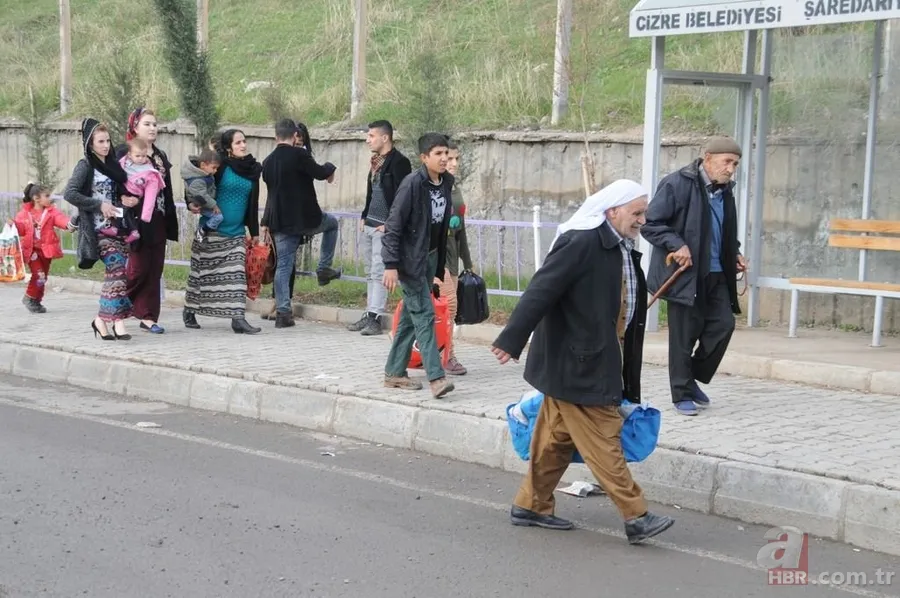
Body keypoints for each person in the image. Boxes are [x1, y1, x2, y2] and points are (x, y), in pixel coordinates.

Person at [490, 179, 675, 545]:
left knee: (554, 439)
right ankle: (636, 516)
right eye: (636, 213)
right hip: (578, 361)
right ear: (612, 212)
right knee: (606, 438)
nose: (642, 220)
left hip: (593, 357)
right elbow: (541, 289)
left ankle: (531, 504)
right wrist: (512, 339)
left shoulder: (620, 244)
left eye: (644, 213)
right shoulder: (582, 242)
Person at [641, 136, 747, 417]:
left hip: (717, 273)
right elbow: (650, 224)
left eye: (735, 164)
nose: (731, 169)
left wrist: (734, 252)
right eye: (727, 162)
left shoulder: (725, 191)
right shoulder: (677, 183)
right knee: (683, 336)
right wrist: (676, 245)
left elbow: (722, 229)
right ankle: (681, 393)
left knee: (723, 325)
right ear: (708, 158)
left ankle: (690, 377)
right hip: (685, 274)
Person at [381, 132, 455, 399]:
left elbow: (440, 227)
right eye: (438, 154)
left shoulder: (446, 182)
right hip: (410, 261)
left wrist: (438, 267)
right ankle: (437, 378)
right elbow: (393, 226)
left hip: (430, 257)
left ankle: (394, 373)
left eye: (446, 153)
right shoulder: (412, 184)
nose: (444, 158)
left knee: (412, 318)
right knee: (424, 314)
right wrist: (390, 265)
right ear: (424, 158)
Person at [64, 118, 140, 341]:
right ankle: (115, 320)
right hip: (97, 230)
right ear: (90, 143)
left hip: (118, 227)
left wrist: (126, 199)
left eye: (107, 141)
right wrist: (98, 205)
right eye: (100, 141)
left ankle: (104, 321)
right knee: (116, 271)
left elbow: (118, 193)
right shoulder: (85, 166)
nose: (106, 145)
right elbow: (71, 193)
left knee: (119, 275)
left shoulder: (113, 165)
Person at [182, 128, 263, 334]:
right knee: (202, 274)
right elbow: (196, 184)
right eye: (238, 143)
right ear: (228, 148)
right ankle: (190, 309)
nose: (243, 145)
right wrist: (191, 203)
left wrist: (254, 232)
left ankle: (238, 318)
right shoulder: (221, 166)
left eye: (244, 141)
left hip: (236, 232)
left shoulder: (253, 170)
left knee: (237, 275)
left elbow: (252, 204)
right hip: (213, 230)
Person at [261, 118, 338, 328]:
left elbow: (271, 196)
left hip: (280, 223)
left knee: (283, 267)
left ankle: (283, 313)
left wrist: (265, 222)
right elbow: (321, 173)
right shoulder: (300, 155)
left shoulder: (267, 162)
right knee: (332, 224)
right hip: (306, 219)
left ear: (276, 136)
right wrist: (332, 166)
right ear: (295, 135)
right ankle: (323, 268)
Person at [347, 120, 412, 336]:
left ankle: (375, 317)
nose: (368, 140)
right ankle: (369, 313)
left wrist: (391, 224)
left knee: (379, 271)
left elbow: (402, 198)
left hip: (385, 227)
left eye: (371, 136)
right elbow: (372, 192)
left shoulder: (399, 163)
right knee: (370, 272)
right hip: (371, 223)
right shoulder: (375, 161)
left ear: (385, 138)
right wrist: (364, 216)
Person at [119, 107, 179, 335]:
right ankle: (116, 302)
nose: (152, 128)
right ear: (135, 127)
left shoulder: (159, 156)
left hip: (158, 219)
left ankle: (148, 316)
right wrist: (123, 199)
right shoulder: (123, 153)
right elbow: (113, 181)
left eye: (155, 124)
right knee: (137, 268)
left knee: (155, 269)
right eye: (147, 124)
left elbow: (167, 189)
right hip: (135, 220)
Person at [436, 140, 474, 375]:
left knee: (438, 310)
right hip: (434, 260)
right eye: (449, 158)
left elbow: (461, 229)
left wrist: (467, 262)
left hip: (451, 260)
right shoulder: (430, 187)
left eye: (456, 159)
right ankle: (448, 356)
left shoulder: (454, 189)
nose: (454, 163)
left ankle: (417, 350)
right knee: (448, 306)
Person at [10, 183, 75, 313]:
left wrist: (69, 224)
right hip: (32, 251)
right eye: (46, 196)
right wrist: (14, 225)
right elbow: (21, 230)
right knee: (39, 275)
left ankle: (36, 300)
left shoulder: (51, 212)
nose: (49, 198)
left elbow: (60, 219)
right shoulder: (25, 214)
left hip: (46, 251)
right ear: (36, 198)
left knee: (42, 277)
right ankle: (29, 297)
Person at [118, 137, 166, 245]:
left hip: (136, 194)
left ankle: (127, 230)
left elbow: (151, 195)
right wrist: (120, 195)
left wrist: (146, 216)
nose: (141, 159)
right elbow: (115, 178)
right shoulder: (123, 163)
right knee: (122, 211)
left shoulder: (150, 171)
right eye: (137, 156)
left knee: (123, 211)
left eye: (144, 156)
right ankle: (123, 229)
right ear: (130, 155)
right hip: (123, 192)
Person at [181, 147, 223, 241]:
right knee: (218, 217)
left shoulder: (204, 174)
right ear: (203, 165)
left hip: (202, 202)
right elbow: (202, 195)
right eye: (214, 168)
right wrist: (214, 205)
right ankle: (202, 230)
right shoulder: (198, 180)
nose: (215, 171)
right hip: (201, 203)